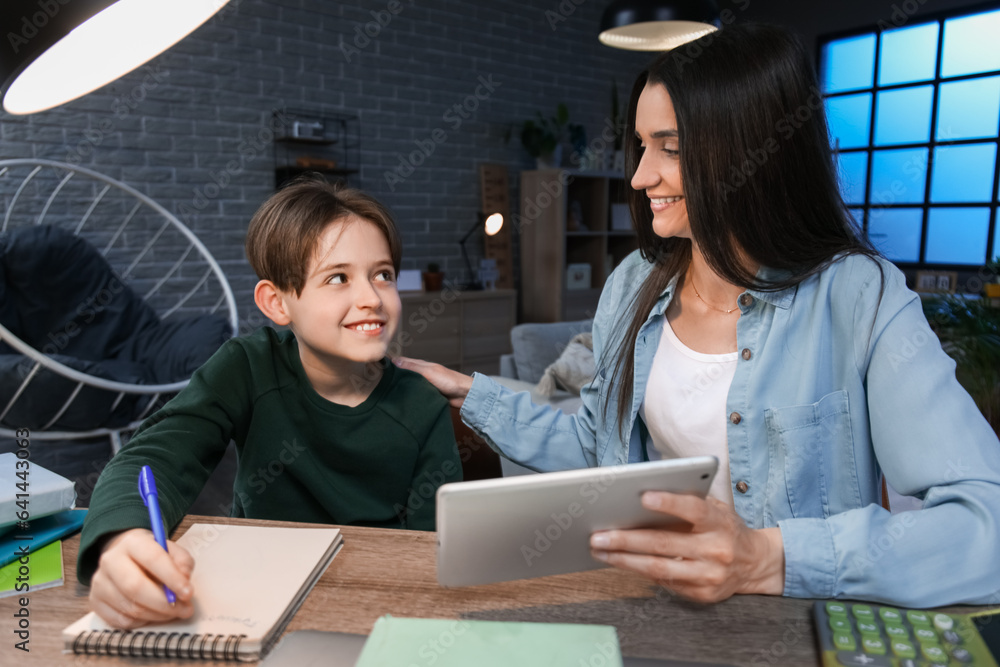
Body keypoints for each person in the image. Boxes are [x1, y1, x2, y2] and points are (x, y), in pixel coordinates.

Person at [398, 23, 1000, 608]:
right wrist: (473, 395)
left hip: (792, 625)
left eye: (672, 149)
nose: (639, 177)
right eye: (641, 145)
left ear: (753, 157)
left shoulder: (858, 296)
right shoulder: (633, 282)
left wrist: (766, 556)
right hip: (654, 606)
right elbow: (599, 452)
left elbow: (985, 526)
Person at [78, 178, 461, 628]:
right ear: (277, 303)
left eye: (383, 275)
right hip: (255, 596)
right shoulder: (246, 367)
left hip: (375, 605)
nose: (371, 298)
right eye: (338, 278)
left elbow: (431, 550)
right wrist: (122, 538)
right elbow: (154, 455)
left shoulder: (422, 405)